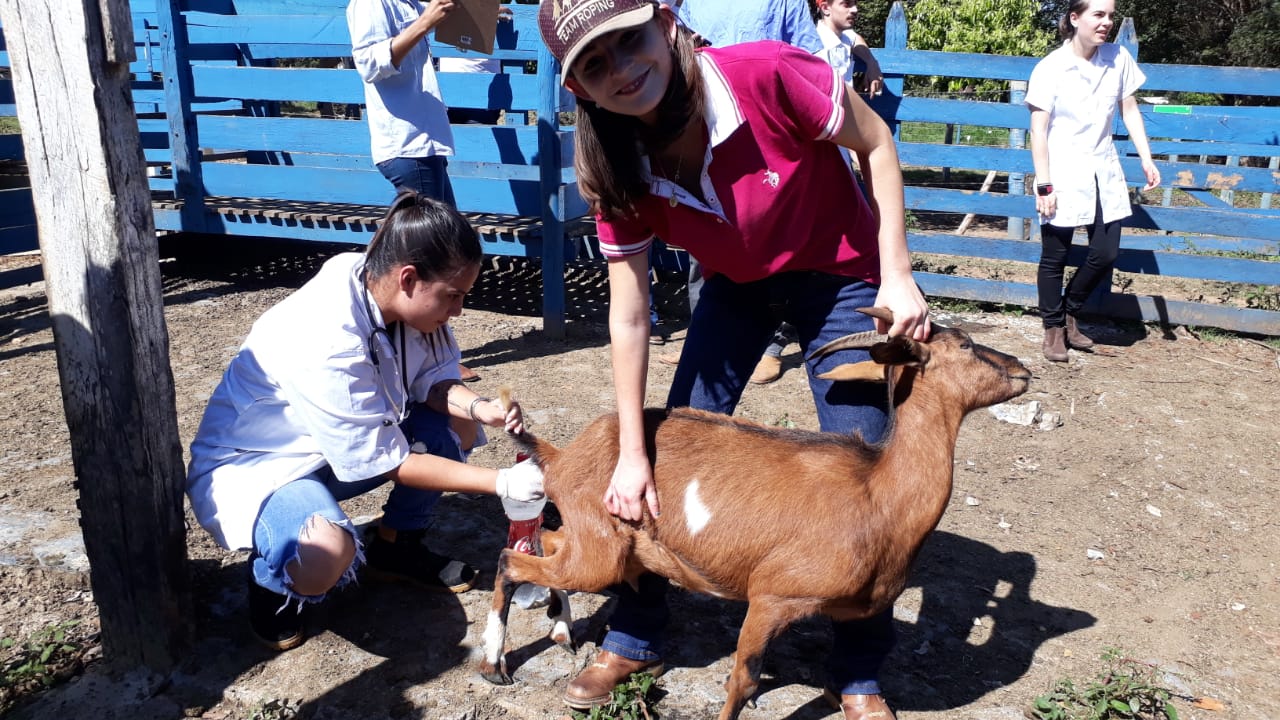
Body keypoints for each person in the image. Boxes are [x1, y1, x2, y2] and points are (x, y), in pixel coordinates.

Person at [536, 1, 930, 718]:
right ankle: (635, 632)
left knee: (867, 453)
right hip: (737, 286)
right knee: (667, 449)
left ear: (666, 24)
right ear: (578, 90)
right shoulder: (615, 164)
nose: (622, 69)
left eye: (629, 43)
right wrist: (630, 451)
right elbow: (629, 315)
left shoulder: (768, 76)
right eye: (596, 64)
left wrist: (895, 271)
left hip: (840, 276)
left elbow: (874, 141)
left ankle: (860, 672)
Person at [185, 190, 545, 651]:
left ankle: (396, 544)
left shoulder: (388, 286)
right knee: (326, 553)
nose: (458, 310)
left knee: (458, 428)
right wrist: (503, 483)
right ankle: (271, 582)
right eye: (453, 296)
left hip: (328, 449)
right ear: (409, 278)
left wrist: (480, 408)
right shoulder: (325, 335)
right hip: (265, 467)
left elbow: (432, 381)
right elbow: (388, 461)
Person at [653, 0, 826, 378]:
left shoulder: (785, 1)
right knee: (705, 244)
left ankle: (772, 344)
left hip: (764, 136)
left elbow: (809, 58)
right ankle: (703, 336)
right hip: (706, 131)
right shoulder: (690, 3)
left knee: (776, 244)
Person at [347, 0, 482, 382]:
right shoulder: (371, 4)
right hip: (406, 143)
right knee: (433, 260)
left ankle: (422, 354)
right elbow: (370, 64)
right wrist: (424, 23)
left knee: (437, 254)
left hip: (426, 143)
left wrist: (477, 18)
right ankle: (433, 361)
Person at [1026, 0, 1160, 362]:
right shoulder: (1051, 67)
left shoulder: (1118, 58)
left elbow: (1129, 109)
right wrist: (1044, 183)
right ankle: (1053, 329)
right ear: (1075, 18)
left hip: (1104, 169)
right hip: (1061, 171)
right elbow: (1038, 131)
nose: (1107, 22)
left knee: (1105, 253)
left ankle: (1070, 311)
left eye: (1111, 15)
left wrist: (1146, 158)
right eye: (1098, 14)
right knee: (1055, 254)